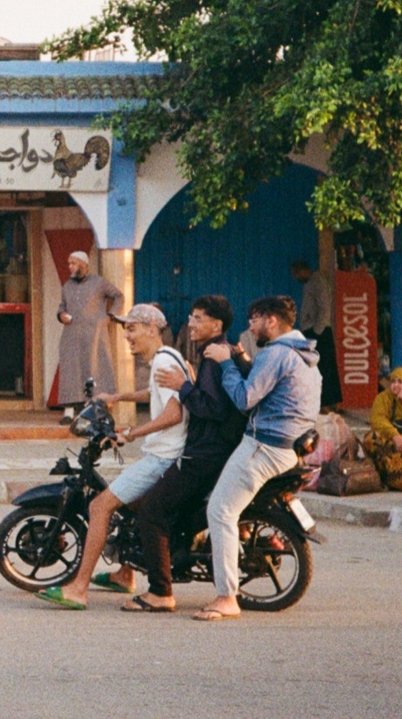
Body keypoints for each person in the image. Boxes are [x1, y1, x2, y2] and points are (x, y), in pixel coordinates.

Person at [35, 304, 187, 610]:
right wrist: (118, 397)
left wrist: (130, 433)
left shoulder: (162, 362)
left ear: (152, 329)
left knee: (100, 505)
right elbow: (156, 394)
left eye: (132, 329)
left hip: (162, 456)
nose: (127, 336)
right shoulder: (167, 359)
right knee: (128, 506)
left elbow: (173, 413)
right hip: (166, 453)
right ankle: (125, 573)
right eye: (125, 329)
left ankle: (78, 589)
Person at [196, 295, 320, 621]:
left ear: (271, 321)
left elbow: (244, 397)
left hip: (263, 446)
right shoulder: (304, 354)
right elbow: (269, 387)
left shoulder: (277, 353)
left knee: (220, 510)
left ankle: (226, 597)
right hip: (288, 448)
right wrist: (240, 358)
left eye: (254, 319)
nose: (250, 326)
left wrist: (225, 362)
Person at [129, 295, 249, 612]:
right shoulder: (226, 352)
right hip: (216, 450)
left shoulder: (212, 357)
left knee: (152, 511)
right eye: (191, 317)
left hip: (203, 453)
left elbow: (211, 407)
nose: (191, 324)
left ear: (216, 325)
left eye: (198, 319)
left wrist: (183, 386)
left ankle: (160, 592)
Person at [56, 251, 123, 420]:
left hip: (94, 335)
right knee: (71, 371)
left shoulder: (99, 283)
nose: (70, 266)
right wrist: (61, 315)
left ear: (83, 265)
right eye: (69, 263)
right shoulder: (67, 286)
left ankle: (94, 410)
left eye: (73, 263)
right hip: (71, 335)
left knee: (95, 369)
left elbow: (118, 296)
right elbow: (61, 306)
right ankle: (69, 412)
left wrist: (111, 316)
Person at [291, 259, 343, 412]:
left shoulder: (317, 281)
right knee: (322, 367)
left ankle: (327, 403)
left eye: (296, 273)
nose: (296, 277)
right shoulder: (310, 283)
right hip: (314, 330)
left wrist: (317, 331)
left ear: (303, 270)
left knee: (324, 367)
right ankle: (328, 402)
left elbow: (324, 308)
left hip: (319, 332)